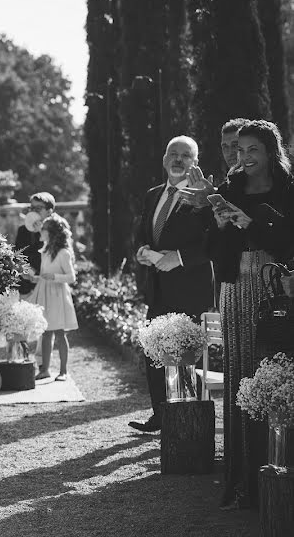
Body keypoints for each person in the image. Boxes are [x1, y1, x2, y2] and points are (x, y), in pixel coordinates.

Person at [205, 119, 294, 509]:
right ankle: (242, 481)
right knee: (240, 374)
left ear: (271, 151)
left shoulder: (288, 189)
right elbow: (213, 248)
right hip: (235, 291)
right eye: (240, 151)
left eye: (253, 150)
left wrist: (250, 223)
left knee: (273, 373)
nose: (245, 157)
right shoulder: (230, 188)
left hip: (274, 289)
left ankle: (278, 472)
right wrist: (222, 224)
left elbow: (288, 242)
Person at [129, 136, 214, 434]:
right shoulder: (153, 194)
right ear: (165, 159)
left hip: (191, 290)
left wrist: (179, 257)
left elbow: (213, 244)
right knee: (154, 352)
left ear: (195, 163)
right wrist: (141, 250)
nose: (179, 160)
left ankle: (186, 422)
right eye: (174, 154)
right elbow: (143, 233)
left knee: (184, 355)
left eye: (186, 155)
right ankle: (161, 416)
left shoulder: (202, 197)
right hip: (158, 290)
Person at [28, 215, 78, 381]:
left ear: (51, 233)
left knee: (59, 332)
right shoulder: (45, 251)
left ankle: (63, 371)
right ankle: (45, 370)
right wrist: (36, 278)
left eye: (43, 229)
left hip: (58, 296)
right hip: (45, 293)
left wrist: (54, 277)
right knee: (46, 333)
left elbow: (71, 277)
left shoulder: (63, 253)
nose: (40, 231)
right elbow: (45, 274)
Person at [15, 192, 56, 296]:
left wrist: (41, 232)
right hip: (25, 284)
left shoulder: (55, 232)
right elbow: (17, 255)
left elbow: (55, 255)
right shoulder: (22, 230)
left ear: (49, 211)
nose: (33, 211)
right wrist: (26, 271)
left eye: (38, 208)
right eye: (32, 208)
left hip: (48, 286)